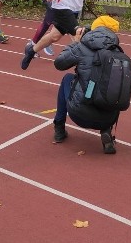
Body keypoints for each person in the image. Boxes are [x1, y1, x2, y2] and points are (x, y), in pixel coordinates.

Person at [51, 15, 124, 154]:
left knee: (67, 78)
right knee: (114, 86)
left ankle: (59, 128)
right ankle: (107, 132)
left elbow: (59, 63)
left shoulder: (82, 47)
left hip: (79, 115)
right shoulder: (119, 54)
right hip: (107, 119)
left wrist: (76, 43)